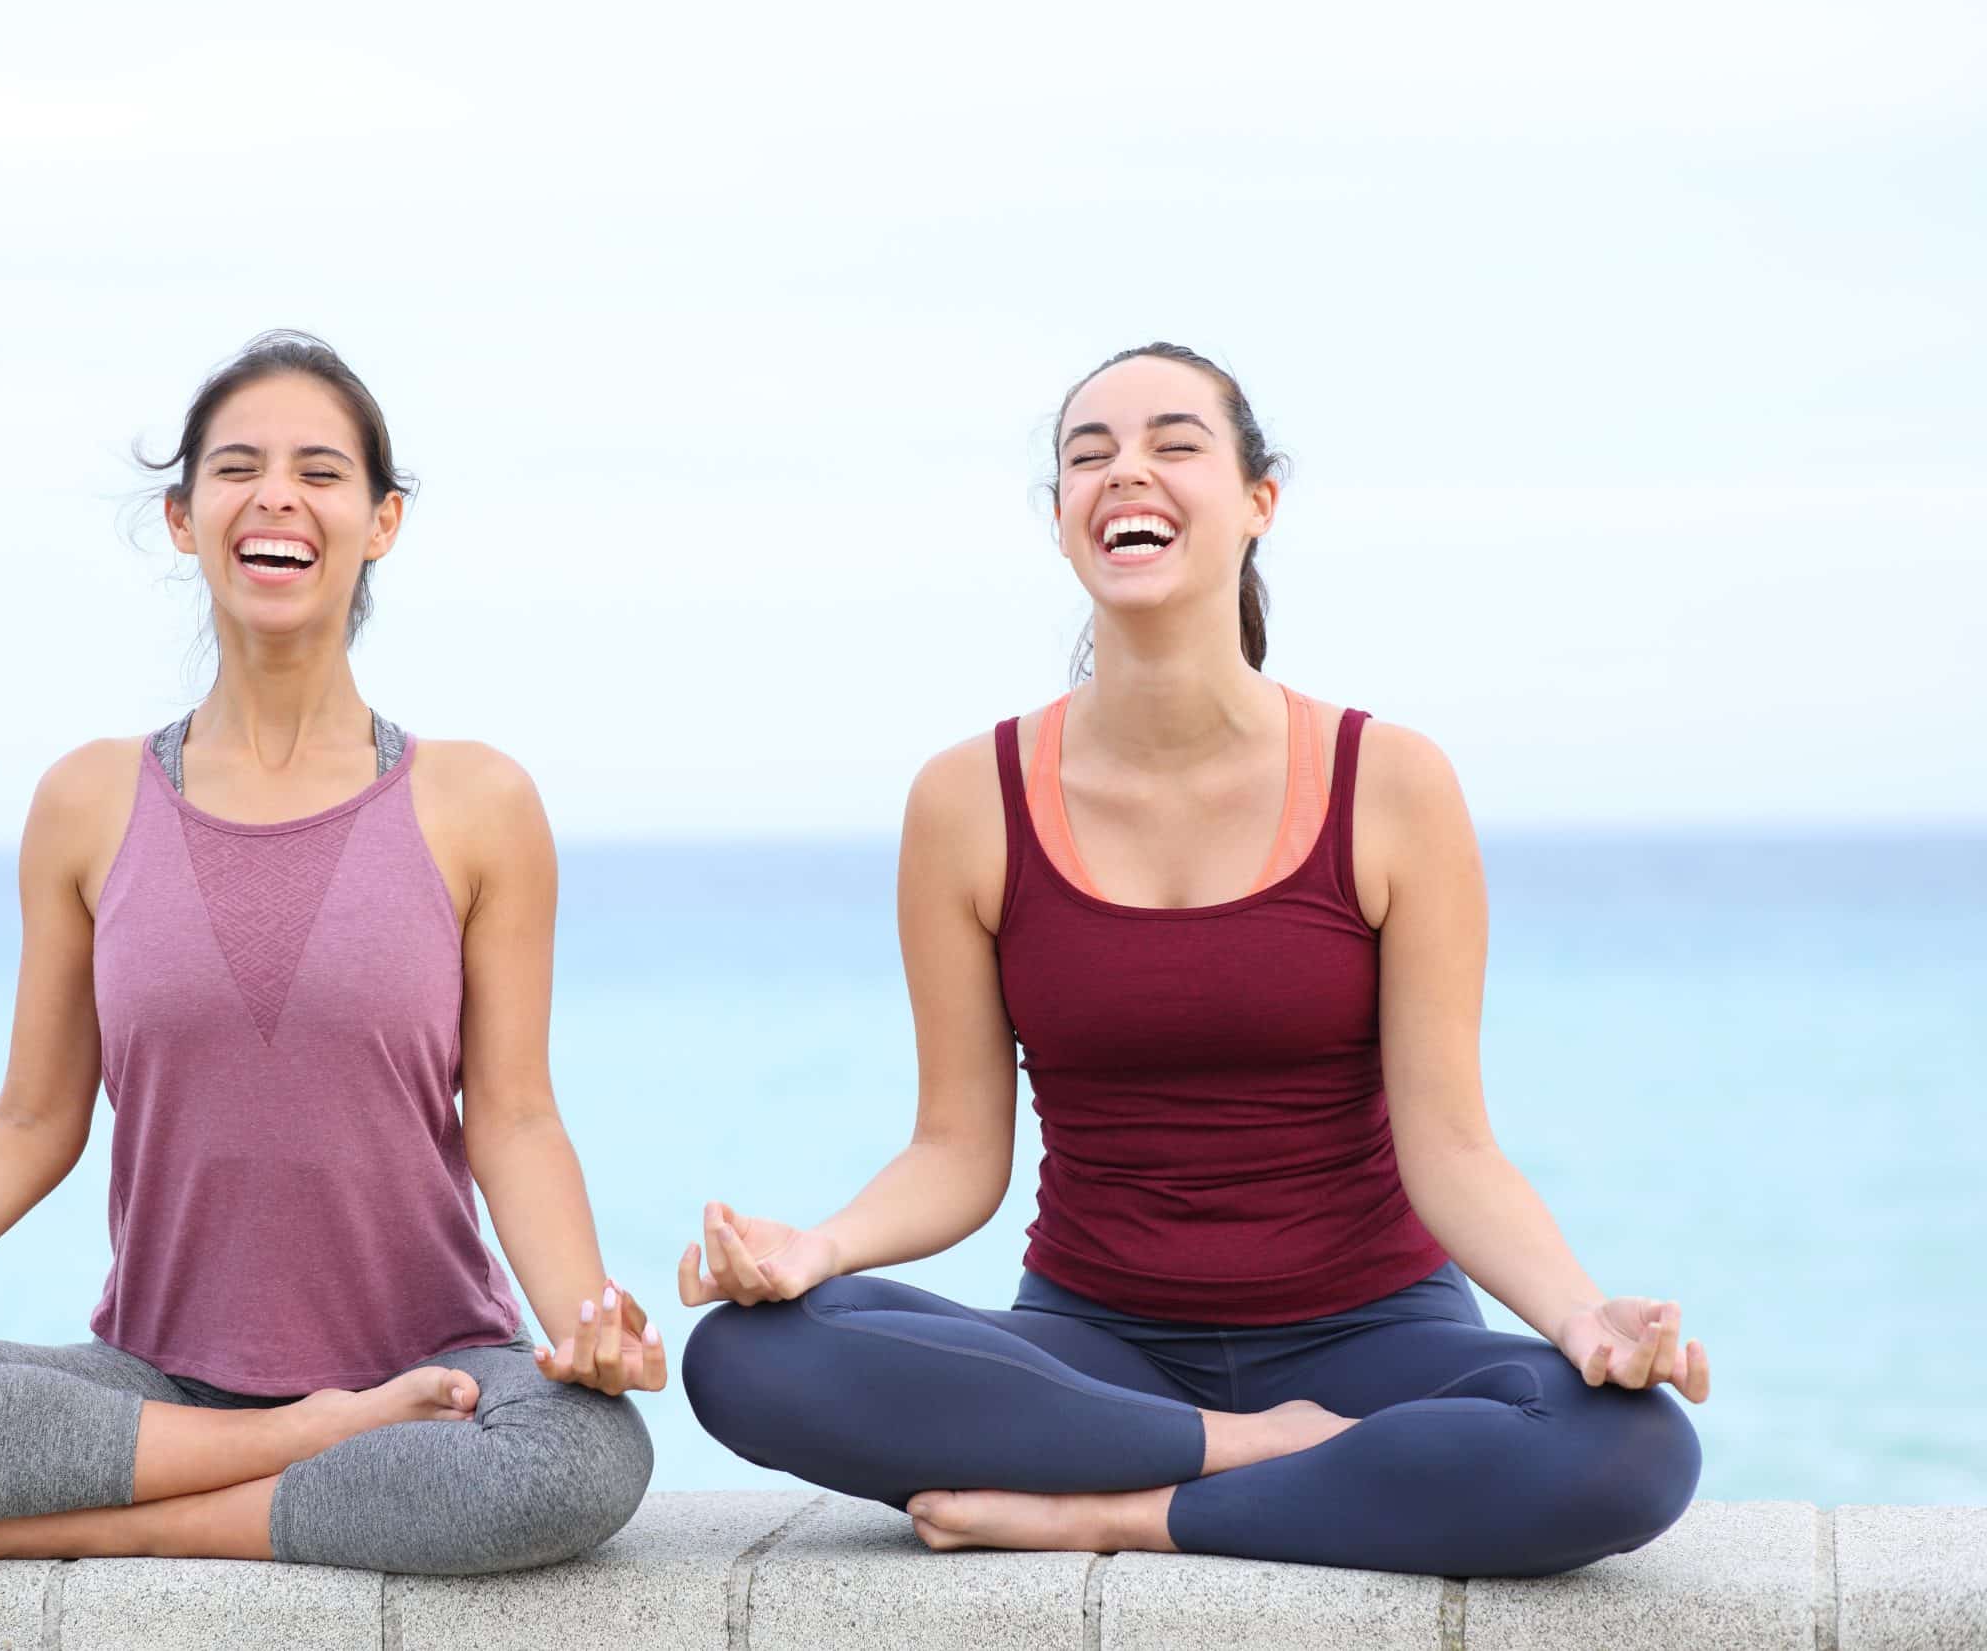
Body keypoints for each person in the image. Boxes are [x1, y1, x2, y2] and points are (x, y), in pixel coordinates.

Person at [676, 343, 1706, 1578]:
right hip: (1095, 1349)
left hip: (1372, 1338)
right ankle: (1238, 1451)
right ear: (1059, 522)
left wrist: (1578, 1318)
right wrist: (815, 1251)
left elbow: (1454, 1148)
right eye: (1087, 455)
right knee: (747, 1354)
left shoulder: (1391, 783)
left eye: (1174, 445)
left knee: (1631, 1450)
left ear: (1257, 502)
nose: (1127, 473)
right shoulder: (967, 800)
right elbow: (956, 1149)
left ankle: (1117, 1506)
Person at [0, 331, 661, 1575]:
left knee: (584, 1461)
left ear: (381, 522)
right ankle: (305, 1448)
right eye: (238, 467)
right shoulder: (88, 801)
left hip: (434, 1373)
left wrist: (584, 1324)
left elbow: (514, 1119)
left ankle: (123, 1523)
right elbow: (32, 1120)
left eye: (321, 471)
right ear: (181, 516)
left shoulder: (478, 803)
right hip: (155, 1379)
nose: (277, 496)